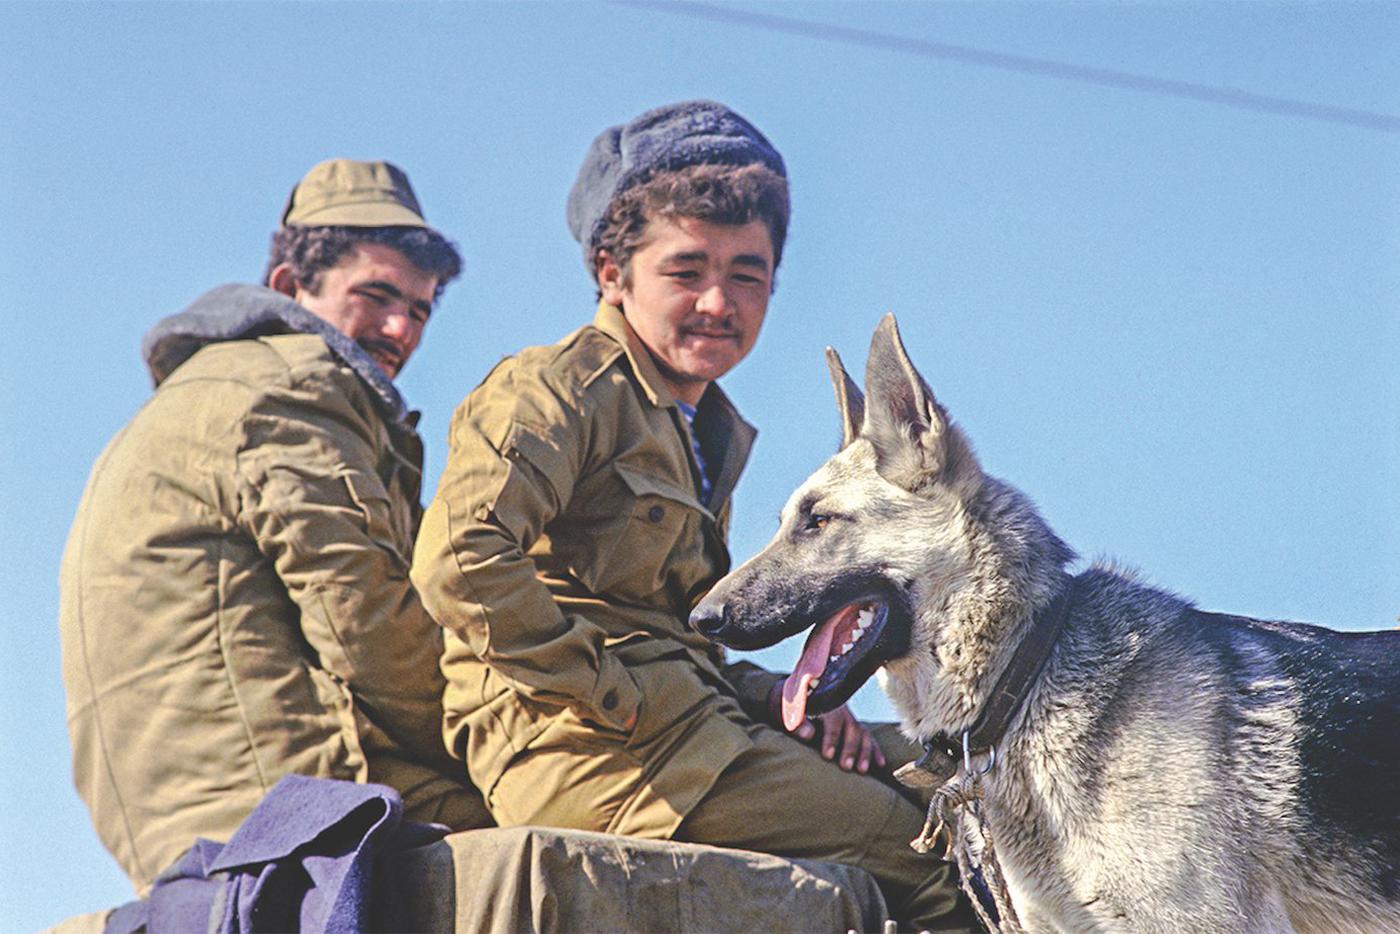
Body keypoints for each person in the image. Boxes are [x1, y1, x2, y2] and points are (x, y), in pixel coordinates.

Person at [412, 102, 972, 929]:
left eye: (747, 274)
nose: (719, 301)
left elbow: (668, 636)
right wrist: (616, 695)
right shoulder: (558, 389)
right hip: (596, 753)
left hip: (691, 732)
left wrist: (795, 697)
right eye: (686, 271)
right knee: (925, 846)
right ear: (612, 272)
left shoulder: (698, 428)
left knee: (961, 771)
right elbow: (460, 562)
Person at [59, 159, 492, 892]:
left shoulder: (214, 387)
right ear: (293, 287)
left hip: (175, 814)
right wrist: (505, 736)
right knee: (584, 840)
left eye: (419, 310)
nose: (399, 330)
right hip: (290, 794)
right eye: (376, 296)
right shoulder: (294, 385)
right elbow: (367, 624)